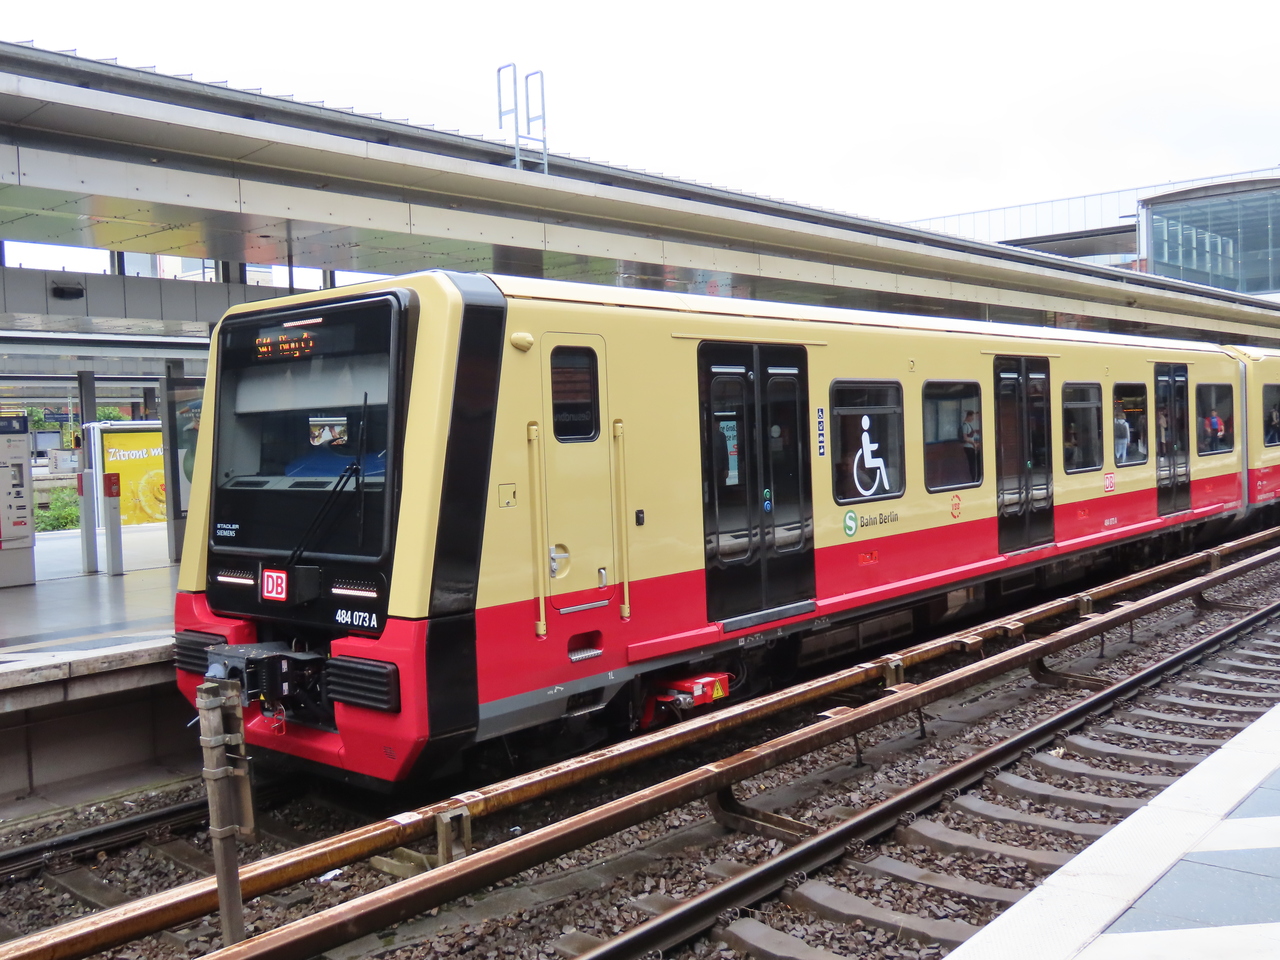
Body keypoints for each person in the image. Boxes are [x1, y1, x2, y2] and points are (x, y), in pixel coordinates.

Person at [960, 410, 980, 481]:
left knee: (974, 463)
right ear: (968, 416)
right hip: (968, 448)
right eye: (972, 417)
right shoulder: (965, 425)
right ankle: (974, 479)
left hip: (971, 447)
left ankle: (975, 478)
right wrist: (973, 443)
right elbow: (965, 438)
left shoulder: (968, 425)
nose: (973, 419)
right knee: (972, 464)